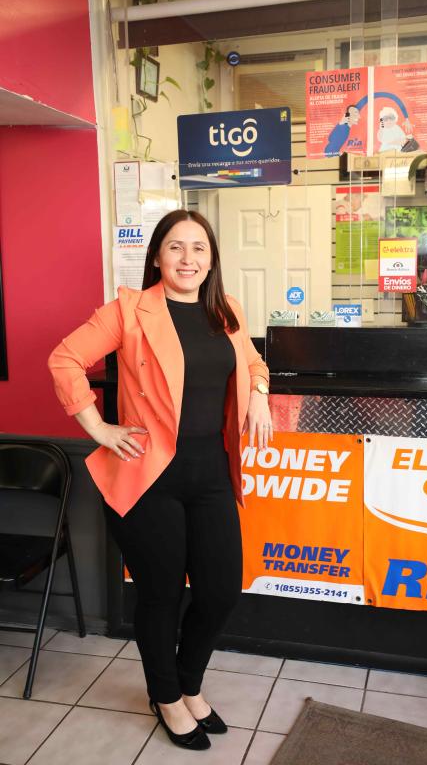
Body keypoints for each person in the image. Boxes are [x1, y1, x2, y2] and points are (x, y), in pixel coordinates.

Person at [48, 209, 272, 751]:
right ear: (157, 256)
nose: (187, 258)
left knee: (220, 591)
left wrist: (261, 394)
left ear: (211, 259)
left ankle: (189, 683)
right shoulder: (130, 309)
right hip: (150, 476)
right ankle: (167, 696)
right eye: (175, 247)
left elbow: (254, 364)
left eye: (198, 248)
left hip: (212, 472)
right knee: (161, 594)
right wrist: (99, 428)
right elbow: (65, 359)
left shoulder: (227, 311)